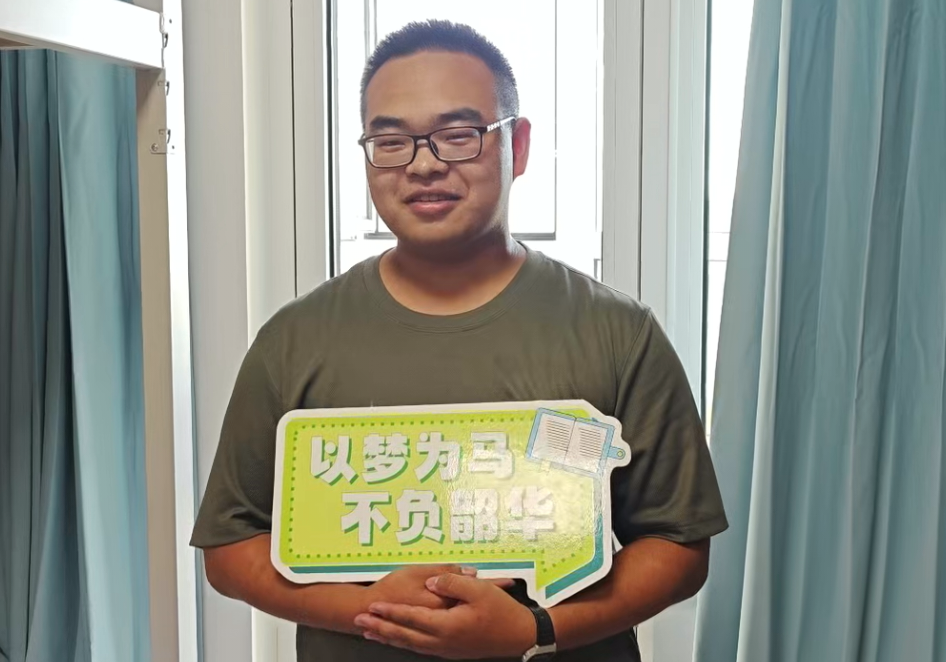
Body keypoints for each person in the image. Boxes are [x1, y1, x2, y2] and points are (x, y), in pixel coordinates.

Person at [191, 20, 728, 662]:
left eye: (457, 135)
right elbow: (230, 546)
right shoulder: (293, 341)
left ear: (517, 146)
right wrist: (370, 608)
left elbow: (678, 543)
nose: (424, 164)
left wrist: (535, 630)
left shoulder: (618, 332)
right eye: (391, 141)